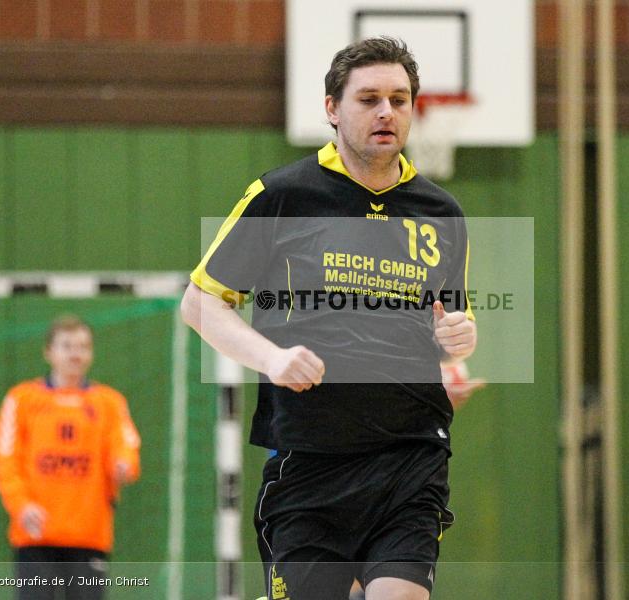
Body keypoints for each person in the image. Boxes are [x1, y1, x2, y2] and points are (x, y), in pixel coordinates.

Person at [182, 37, 477, 600]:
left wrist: (459, 336)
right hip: (311, 462)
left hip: (409, 456)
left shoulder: (442, 213)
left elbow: (449, 325)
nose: (386, 111)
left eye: (399, 98)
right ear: (332, 109)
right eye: (368, 99)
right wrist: (272, 358)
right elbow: (200, 303)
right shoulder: (282, 195)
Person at [0, 315, 141, 600]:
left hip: (89, 535)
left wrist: (125, 465)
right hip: (36, 533)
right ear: (48, 352)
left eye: (83, 346)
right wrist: (20, 505)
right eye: (67, 346)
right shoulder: (22, 400)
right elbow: (6, 461)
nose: (76, 353)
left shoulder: (109, 403)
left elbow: (126, 448)